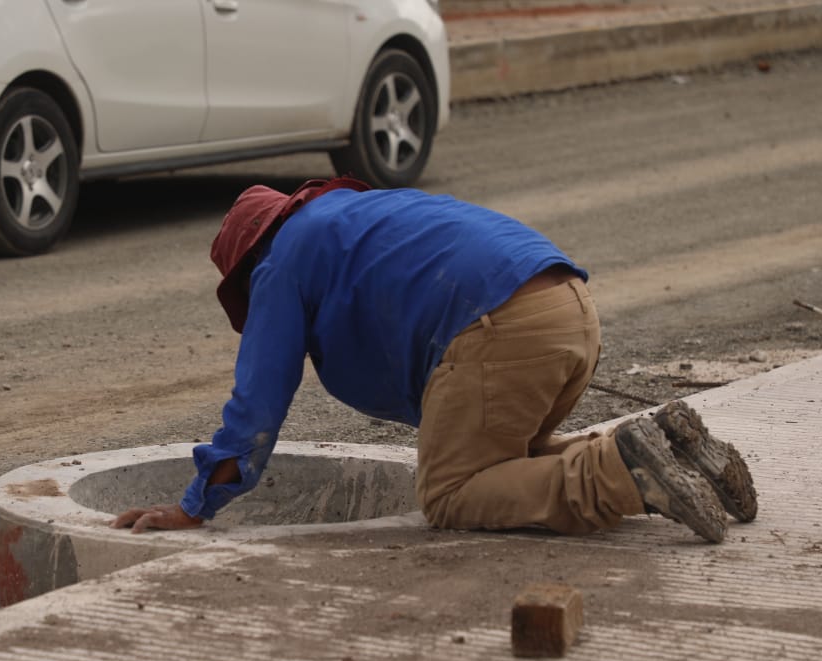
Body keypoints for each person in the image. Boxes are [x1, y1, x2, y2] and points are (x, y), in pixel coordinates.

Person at [111, 178, 757, 542]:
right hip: (569, 309)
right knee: (506, 462)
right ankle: (667, 445)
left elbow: (258, 400)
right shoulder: (359, 213)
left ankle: (624, 471)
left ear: (249, 262)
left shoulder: (281, 262)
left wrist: (197, 503)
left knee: (451, 493)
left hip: (496, 330)